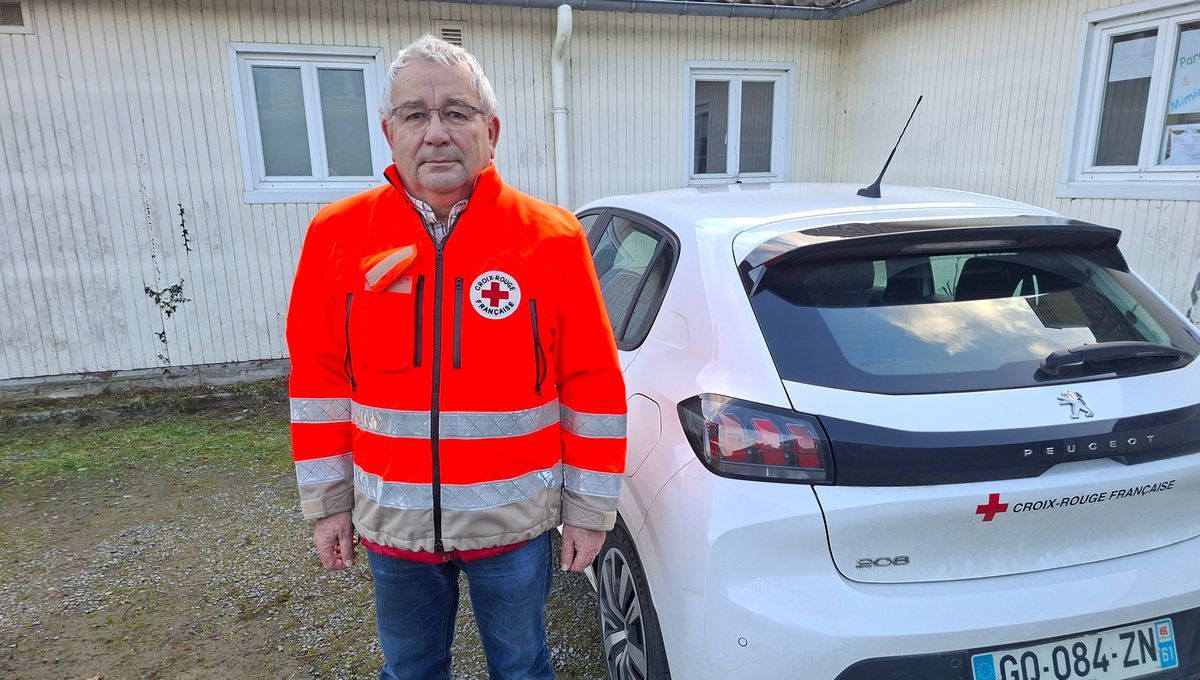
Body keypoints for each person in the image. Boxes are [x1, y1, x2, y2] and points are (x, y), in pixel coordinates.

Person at [285, 35, 626, 680]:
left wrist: (588, 508)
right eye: (415, 114)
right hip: (395, 523)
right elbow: (319, 380)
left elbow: (592, 384)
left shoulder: (551, 239)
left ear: (490, 130)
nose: (436, 132)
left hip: (514, 527)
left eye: (456, 112)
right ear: (389, 132)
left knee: (523, 667)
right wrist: (329, 501)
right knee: (410, 670)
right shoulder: (337, 235)